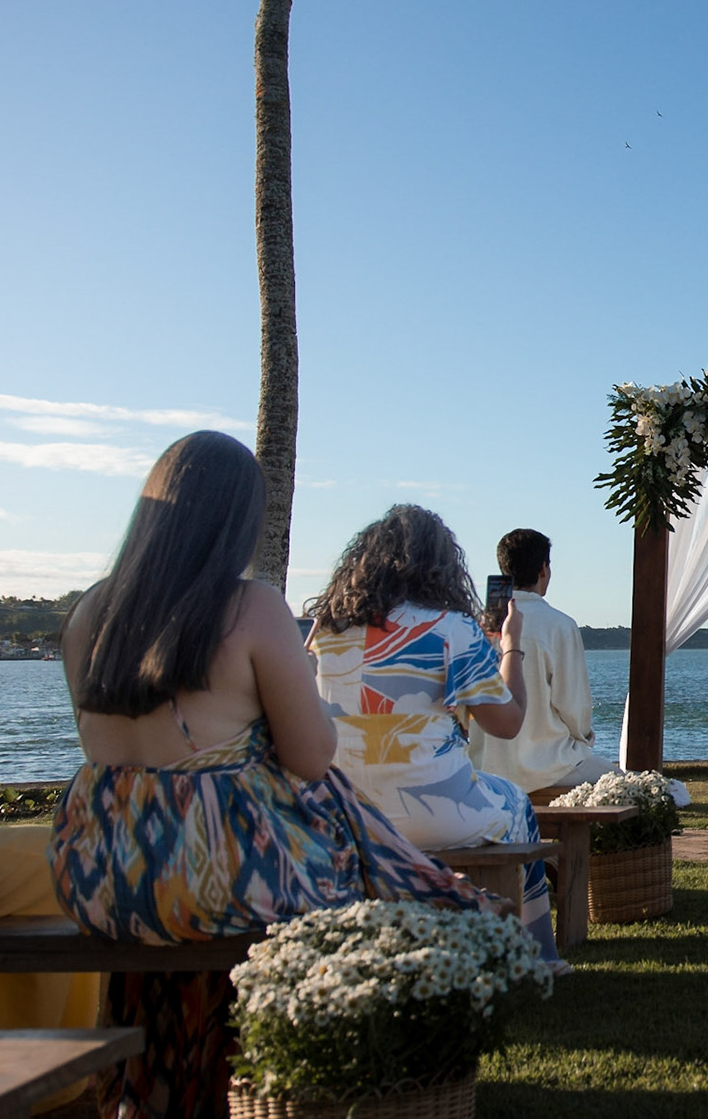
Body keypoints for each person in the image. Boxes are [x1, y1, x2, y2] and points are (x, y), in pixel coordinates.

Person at [47, 434, 489, 1117]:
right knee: (337, 811)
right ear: (235, 521)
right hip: (219, 875)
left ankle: (168, 1080)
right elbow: (312, 756)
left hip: (106, 874)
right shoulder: (250, 609)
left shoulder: (87, 616)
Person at [306, 505, 561, 963]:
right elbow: (507, 724)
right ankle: (535, 956)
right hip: (437, 812)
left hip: (347, 815)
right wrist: (510, 645)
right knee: (517, 804)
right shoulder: (452, 629)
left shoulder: (326, 632)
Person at [469, 528, 615, 792]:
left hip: (485, 766)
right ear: (543, 569)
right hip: (549, 766)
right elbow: (572, 705)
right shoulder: (559, 626)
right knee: (626, 783)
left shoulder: (478, 627)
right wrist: (582, 740)